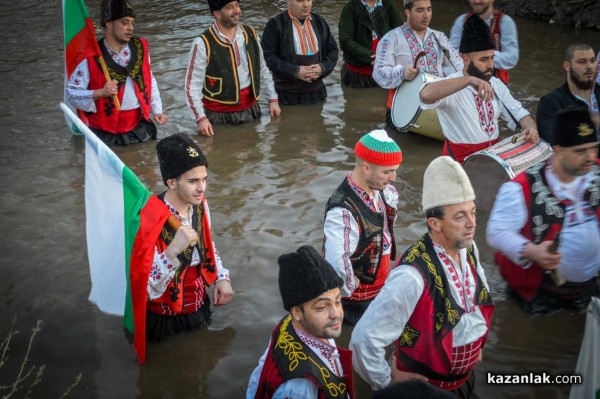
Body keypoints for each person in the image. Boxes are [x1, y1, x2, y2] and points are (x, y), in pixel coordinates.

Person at [350, 156, 494, 397]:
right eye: (460, 217)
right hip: (426, 391)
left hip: (463, 380)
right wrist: (387, 381)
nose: (472, 224)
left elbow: (478, 297)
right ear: (435, 224)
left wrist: (477, 342)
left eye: (473, 212)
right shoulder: (411, 276)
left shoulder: (468, 249)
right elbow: (363, 340)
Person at [486, 106, 600, 313]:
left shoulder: (596, 173)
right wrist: (533, 251)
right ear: (558, 149)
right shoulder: (520, 187)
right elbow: (496, 232)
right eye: (580, 151)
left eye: (594, 148)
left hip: (590, 287)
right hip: (542, 295)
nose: (590, 157)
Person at [147, 133, 234, 342]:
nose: (202, 188)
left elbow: (207, 243)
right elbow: (145, 288)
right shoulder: (149, 218)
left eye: (204, 179)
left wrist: (221, 277)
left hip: (199, 306)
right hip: (163, 317)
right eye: (193, 181)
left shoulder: (200, 203)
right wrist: (171, 251)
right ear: (172, 183)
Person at [419, 14, 538, 163]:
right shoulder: (451, 85)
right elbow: (425, 95)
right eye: (483, 59)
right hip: (459, 166)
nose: (490, 65)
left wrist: (530, 129)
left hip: (493, 162)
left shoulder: (496, 84)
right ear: (466, 59)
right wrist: (468, 80)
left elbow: (519, 114)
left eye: (492, 58)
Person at [246, 245, 354, 399]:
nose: (335, 314)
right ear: (297, 312)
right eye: (322, 307)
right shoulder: (299, 388)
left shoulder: (289, 322)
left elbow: (260, 371)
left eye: (337, 301)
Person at [323, 129, 402, 325]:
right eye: (387, 171)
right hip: (357, 300)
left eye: (395, 170)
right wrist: (349, 286)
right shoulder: (342, 211)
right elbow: (336, 259)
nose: (393, 177)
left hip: (377, 284)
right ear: (366, 168)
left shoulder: (380, 188)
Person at [66, 0, 167, 146]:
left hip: (139, 128)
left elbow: (149, 79)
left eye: (132, 23)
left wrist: (157, 110)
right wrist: (99, 92)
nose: (130, 28)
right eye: (124, 22)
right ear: (109, 23)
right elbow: (71, 94)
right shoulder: (90, 57)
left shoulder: (141, 47)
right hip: (104, 134)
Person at [184, 0, 281, 137]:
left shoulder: (250, 34)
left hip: (251, 109)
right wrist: (201, 118)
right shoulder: (202, 43)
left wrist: (272, 99)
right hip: (218, 116)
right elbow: (191, 87)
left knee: (254, 153)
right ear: (216, 13)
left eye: (237, 5)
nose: (237, 10)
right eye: (230, 7)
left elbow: (262, 69)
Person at [372, 0, 463, 128]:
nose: (426, 15)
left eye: (429, 9)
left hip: (438, 107)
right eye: (420, 10)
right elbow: (378, 73)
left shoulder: (439, 37)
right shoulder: (391, 38)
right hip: (401, 111)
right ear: (407, 12)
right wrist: (402, 73)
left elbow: (457, 67)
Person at [260, 0, 339, 105]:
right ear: (287, 1)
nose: (306, 5)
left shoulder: (320, 22)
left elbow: (333, 50)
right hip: (286, 96)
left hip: (317, 93)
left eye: (309, 0)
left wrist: (323, 68)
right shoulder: (275, 24)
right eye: (300, 1)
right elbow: (267, 57)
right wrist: (295, 71)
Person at [537, 44, 599, 144]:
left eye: (592, 60)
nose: (589, 66)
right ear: (567, 66)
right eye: (582, 62)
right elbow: (552, 144)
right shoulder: (550, 102)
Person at [449, 0, 518, 84]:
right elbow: (450, 54)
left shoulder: (505, 22)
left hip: (497, 82)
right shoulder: (461, 20)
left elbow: (512, 58)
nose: (477, 1)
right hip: (466, 80)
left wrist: (480, 57)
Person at [338, 0, 403, 88]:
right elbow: (345, 41)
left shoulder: (388, 4)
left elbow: (400, 34)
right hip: (358, 73)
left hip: (386, 71)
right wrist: (372, 57)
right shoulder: (350, 8)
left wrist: (385, 57)